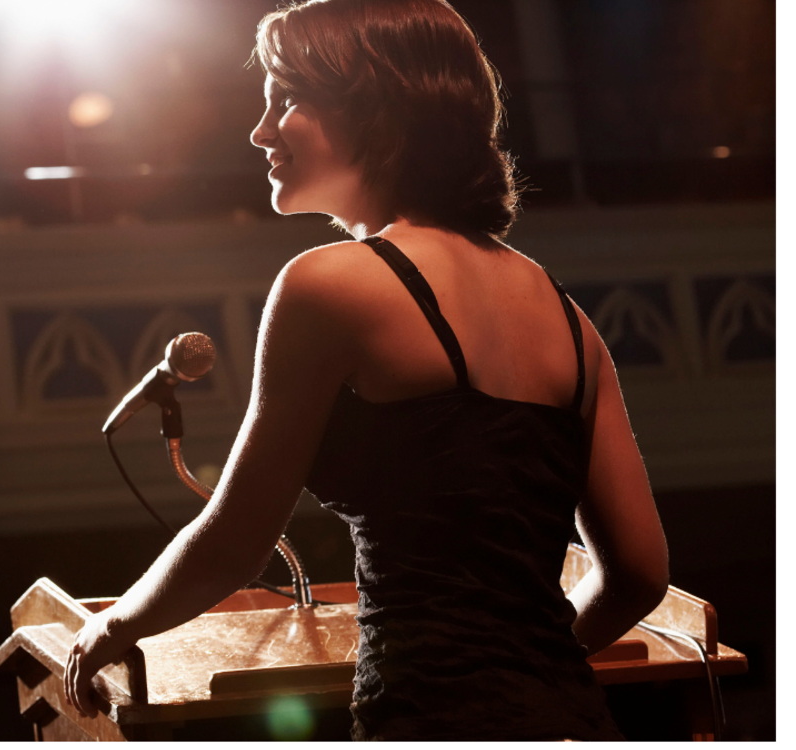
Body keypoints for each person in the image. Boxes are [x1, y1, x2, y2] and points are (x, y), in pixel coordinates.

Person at [65, 0, 669, 740]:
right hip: (573, 718)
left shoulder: (329, 285)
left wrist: (110, 628)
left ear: (378, 109)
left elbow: (233, 539)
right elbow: (640, 571)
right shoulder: (570, 321)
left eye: (285, 99)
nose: (259, 132)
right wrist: (527, 663)